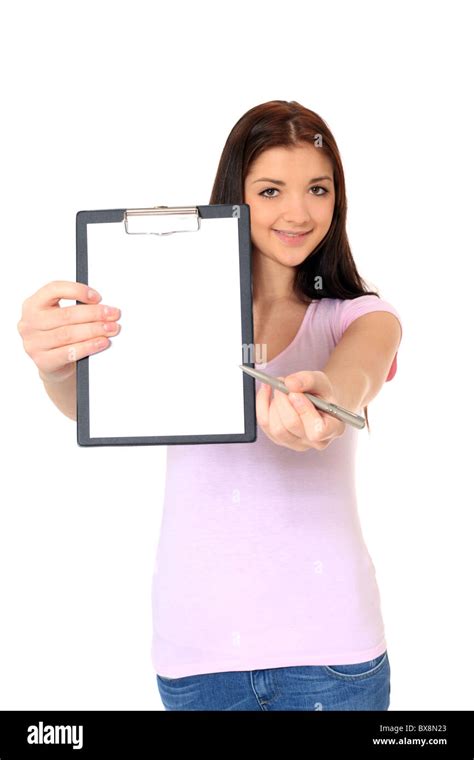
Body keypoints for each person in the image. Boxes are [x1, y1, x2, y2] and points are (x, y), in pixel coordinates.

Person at [18, 100, 403, 711]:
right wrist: (54, 364)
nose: (298, 213)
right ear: (237, 195)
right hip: (196, 655)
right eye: (272, 189)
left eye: (318, 189)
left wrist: (324, 401)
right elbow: (85, 407)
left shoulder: (359, 316)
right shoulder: (172, 314)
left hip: (331, 655)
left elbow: (352, 376)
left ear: (338, 198)